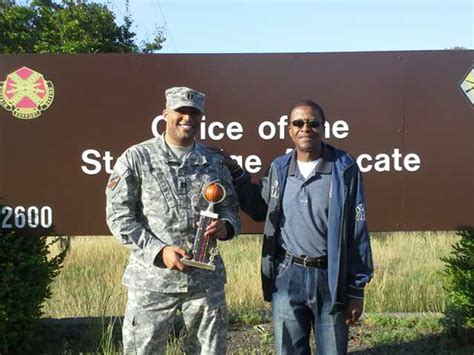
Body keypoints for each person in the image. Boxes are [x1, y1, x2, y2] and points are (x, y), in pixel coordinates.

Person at [222, 100, 373, 355]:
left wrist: (356, 290)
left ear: (323, 128)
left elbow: (357, 231)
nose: (306, 128)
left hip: (331, 277)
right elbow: (260, 208)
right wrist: (236, 172)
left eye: (313, 123)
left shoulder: (343, 168)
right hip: (287, 274)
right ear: (289, 130)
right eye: (298, 123)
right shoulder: (280, 169)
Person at [105, 87, 240, 355]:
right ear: (165, 114)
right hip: (152, 281)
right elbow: (118, 216)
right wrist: (159, 251)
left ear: (201, 117)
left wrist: (225, 227)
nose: (187, 118)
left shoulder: (213, 161)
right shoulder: (137, 158)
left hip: (205, 283)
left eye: (194, 113)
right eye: (180, 111)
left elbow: (230, 208)